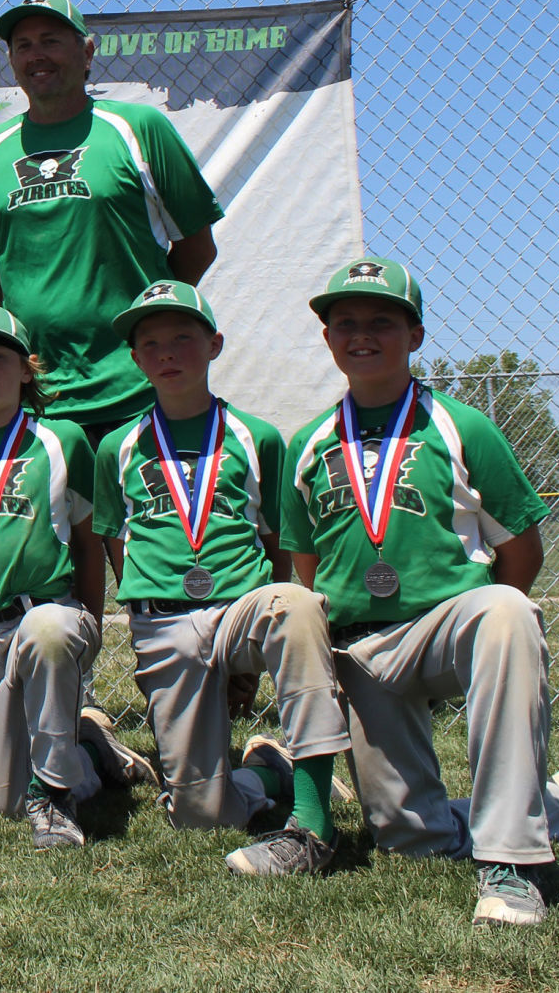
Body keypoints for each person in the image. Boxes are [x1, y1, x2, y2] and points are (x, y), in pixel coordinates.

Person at [282, 257, 559, 924]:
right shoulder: (306, 445)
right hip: (364, 650)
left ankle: (510, 861)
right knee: (412, 840)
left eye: (382, 322)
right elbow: (305, 565)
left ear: (415, 335)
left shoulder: (462, 426)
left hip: (451, 623)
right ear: (328, 339)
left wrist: (484, 633)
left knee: (507, 612)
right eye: (345, 323)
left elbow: (520, 550)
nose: (362, 335)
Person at [90, 282, 353, 871]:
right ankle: (265, 772)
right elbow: (116, 541)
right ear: (135, 358)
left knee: (296, 604)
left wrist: (263, 627)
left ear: (214, 344)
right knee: (201, 814)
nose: (167, 352)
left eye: (183, 336)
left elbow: (275, 543)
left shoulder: (256, 438)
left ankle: (312, 818)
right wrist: (143, 628)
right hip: (163, 619)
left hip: (241, 609)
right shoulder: (118, 446)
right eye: (150, 342)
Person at [0, 306, 154, 850]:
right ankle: (90, 749)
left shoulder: (62, 439)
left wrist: (90, 626)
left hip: (47, 615)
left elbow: (89, 543)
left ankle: (56, 798)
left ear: (27, 370)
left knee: (50, 630)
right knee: (1, 802)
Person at [0, 0, 222, 440]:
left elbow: (197, 247)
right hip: (38, 401)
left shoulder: (139, 128)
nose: (37, 54)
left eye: (51, 40)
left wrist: (143, 327)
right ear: (12, 60)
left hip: (140, 389)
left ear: (87, 51)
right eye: (23, 45)